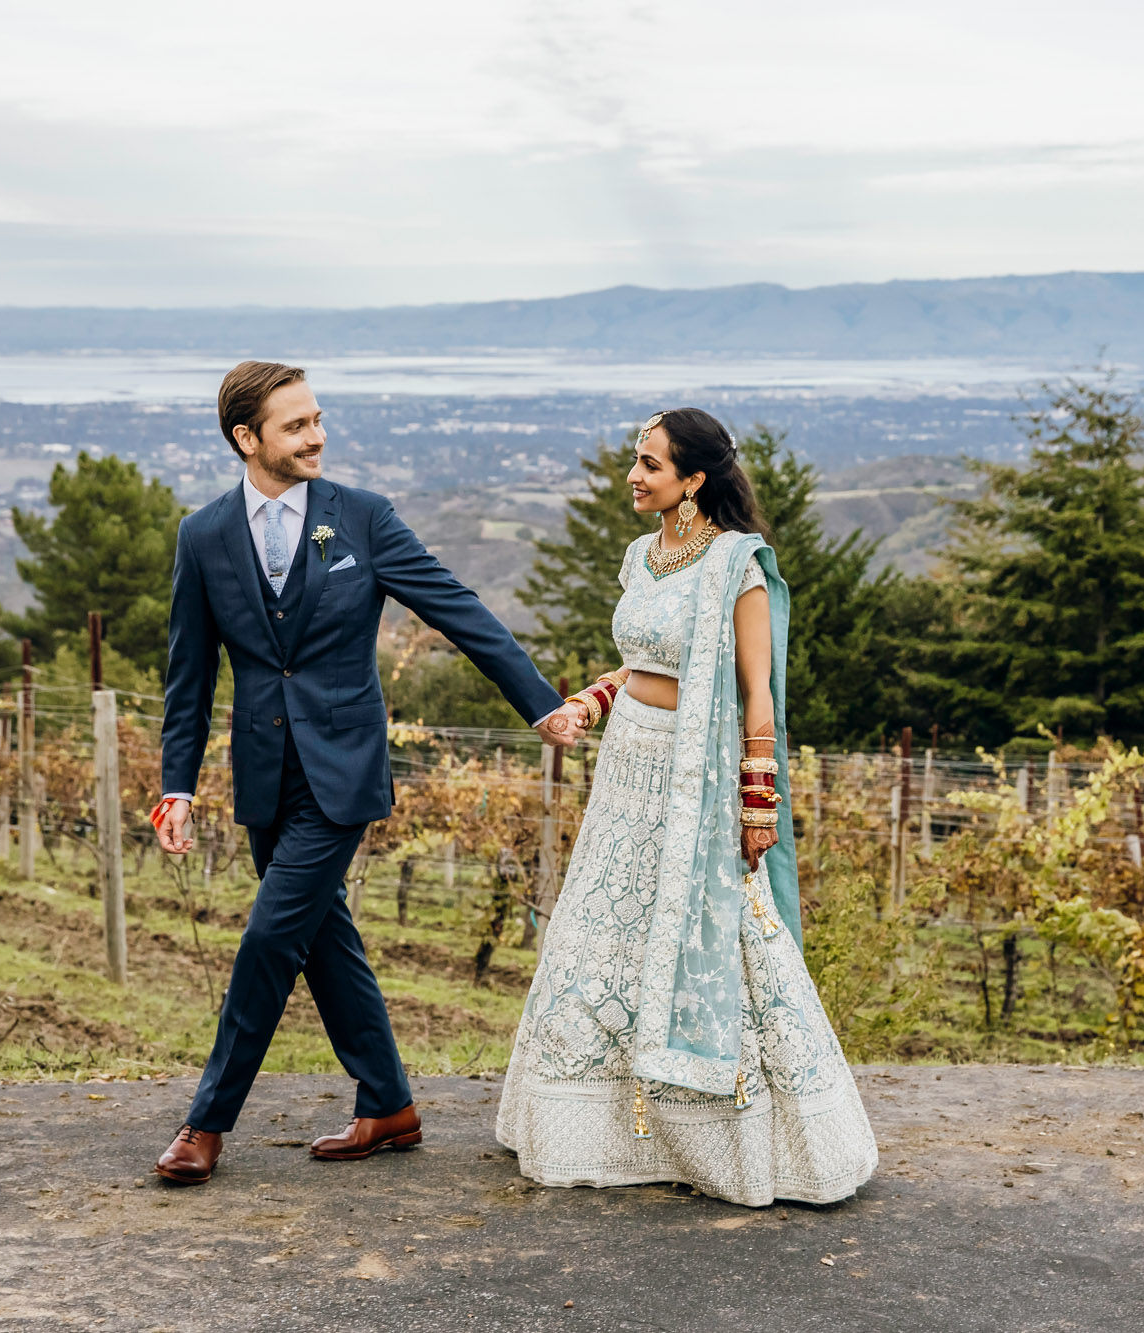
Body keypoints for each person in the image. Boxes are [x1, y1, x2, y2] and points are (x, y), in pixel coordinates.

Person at [150, 360, 579, 1185]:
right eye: (295, 425)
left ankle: (207, 1122)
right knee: (322, 938)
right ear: (248, 439)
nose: (316, 436)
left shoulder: (365, 518)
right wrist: (178, 784)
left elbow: (458, 609)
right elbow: (189, 674)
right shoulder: (201, 536)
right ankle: (388, 1105)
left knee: (271, 935)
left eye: (316, 419)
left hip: (344, 770)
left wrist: (540, 704)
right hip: (265, 774)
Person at [497, 408, 877, 1207]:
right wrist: (591, 701)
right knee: (604, 927)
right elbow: (639, 661)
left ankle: (725, 1131)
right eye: (635, 461)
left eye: (651, 464)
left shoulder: (736, 566)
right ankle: (594, 1125)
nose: (634, 476)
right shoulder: (642, 555)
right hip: (625, 765)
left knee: (717, 931)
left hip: (693, 774)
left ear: (694, 480)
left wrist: (757, 806)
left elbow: (757, 696)